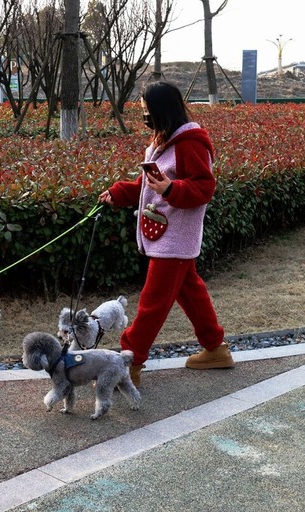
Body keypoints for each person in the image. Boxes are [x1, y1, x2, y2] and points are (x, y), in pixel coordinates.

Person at [97, 81, 234, 387]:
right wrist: (118, 193)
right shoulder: (163, 141)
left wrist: (172, 188)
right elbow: (150, 185)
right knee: (190, 292)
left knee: (152, 302)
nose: (144, 116)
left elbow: (204, 187)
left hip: (175, 236)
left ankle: (128, 363)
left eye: (147, 111)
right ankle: (215, 348)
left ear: (162, 111)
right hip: (167, 235)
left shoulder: (190, 144)